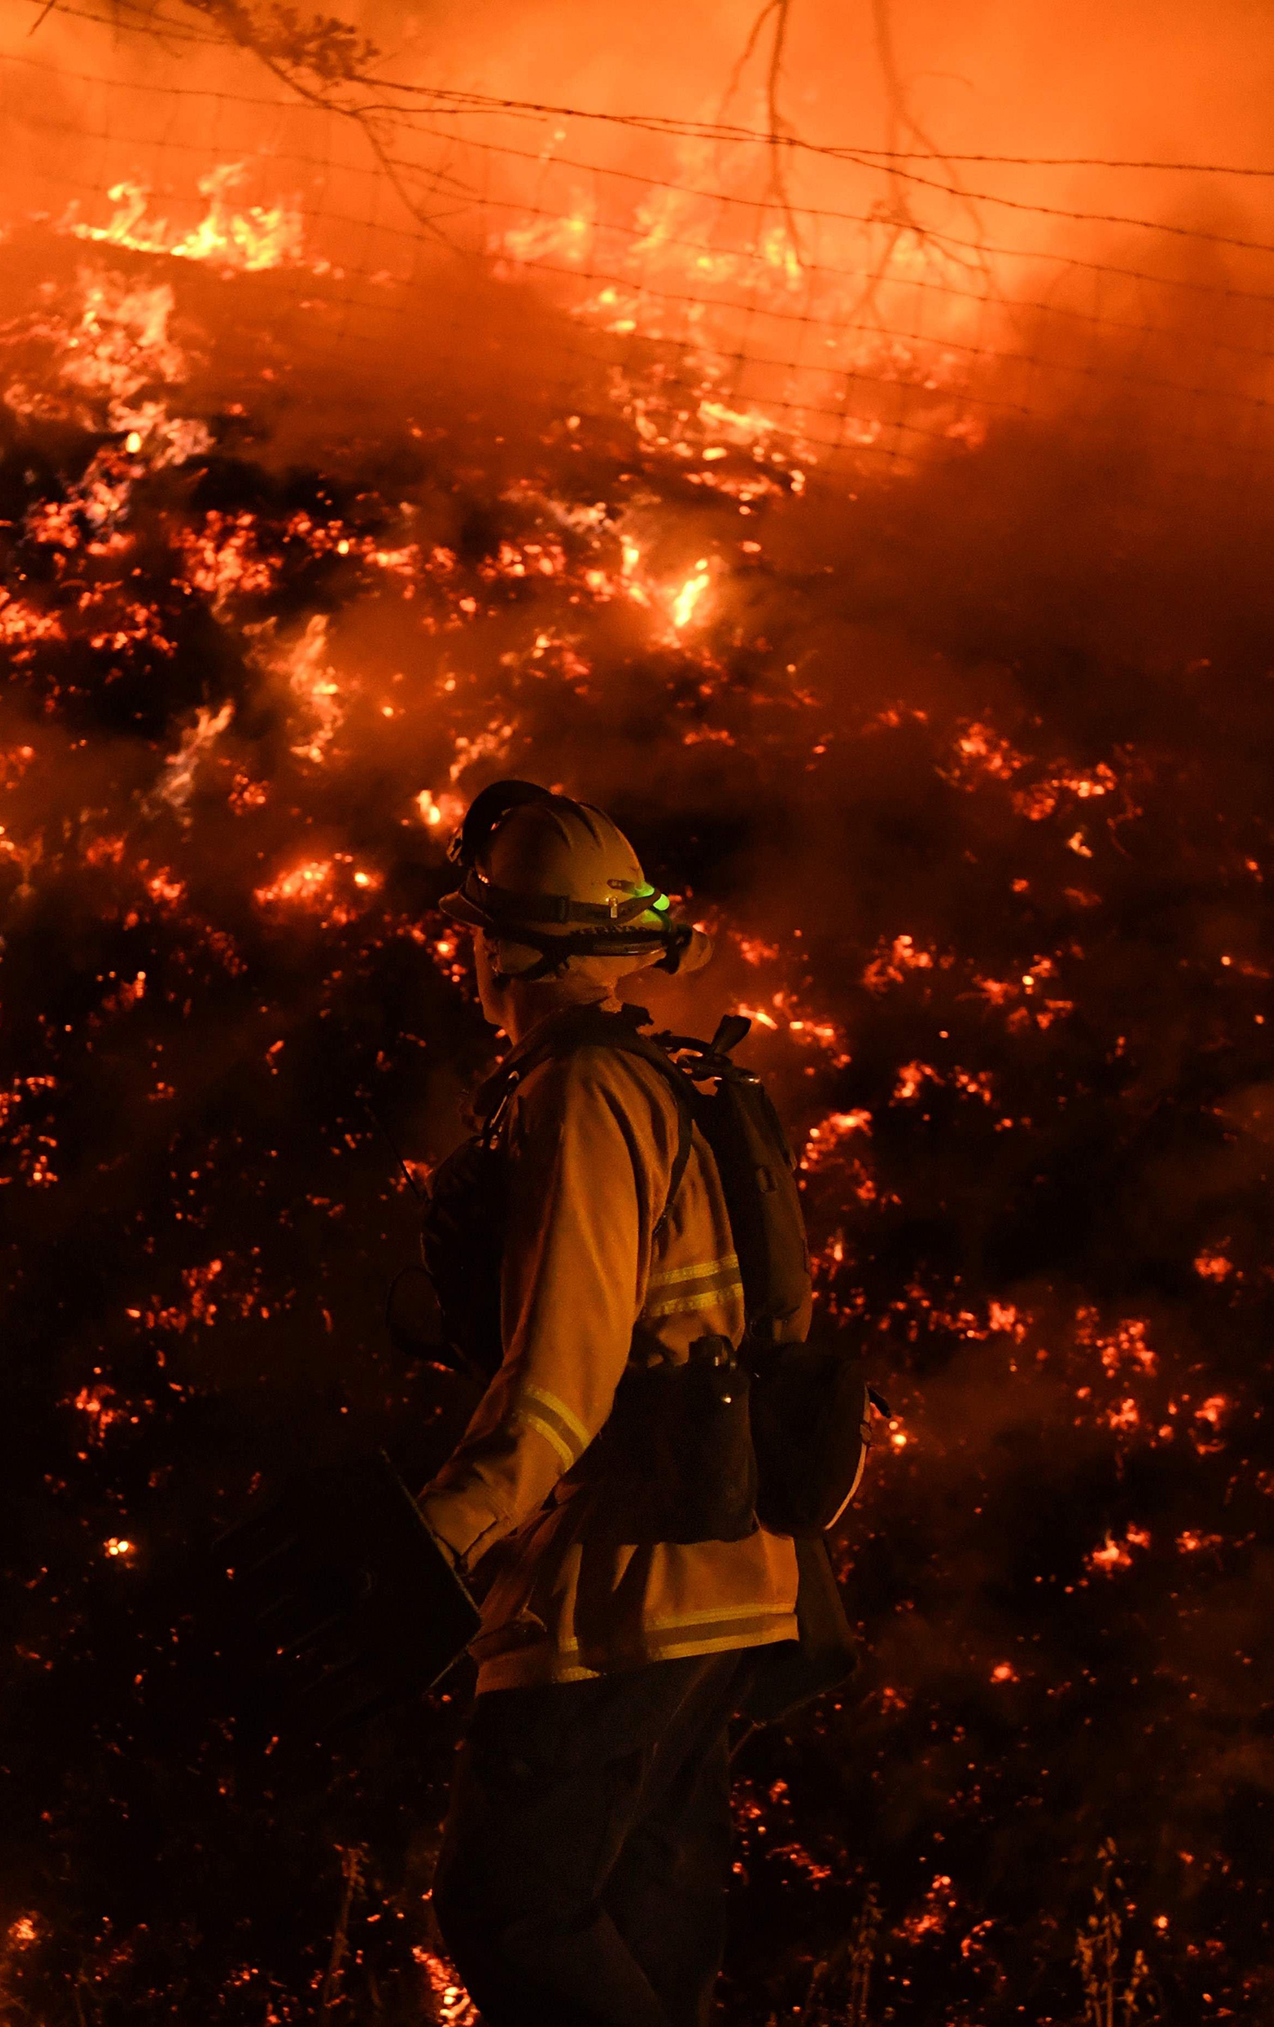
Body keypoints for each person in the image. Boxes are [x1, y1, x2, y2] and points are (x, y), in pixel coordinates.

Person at [417, 780, 846, 2027]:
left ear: (498, 943)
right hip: (735, 1571)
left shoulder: (582, 1094)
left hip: (628, 1580)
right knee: (649, 1934)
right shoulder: (664, 1077)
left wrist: (445, 1530)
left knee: (512, 1906)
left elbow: (563, 1369)